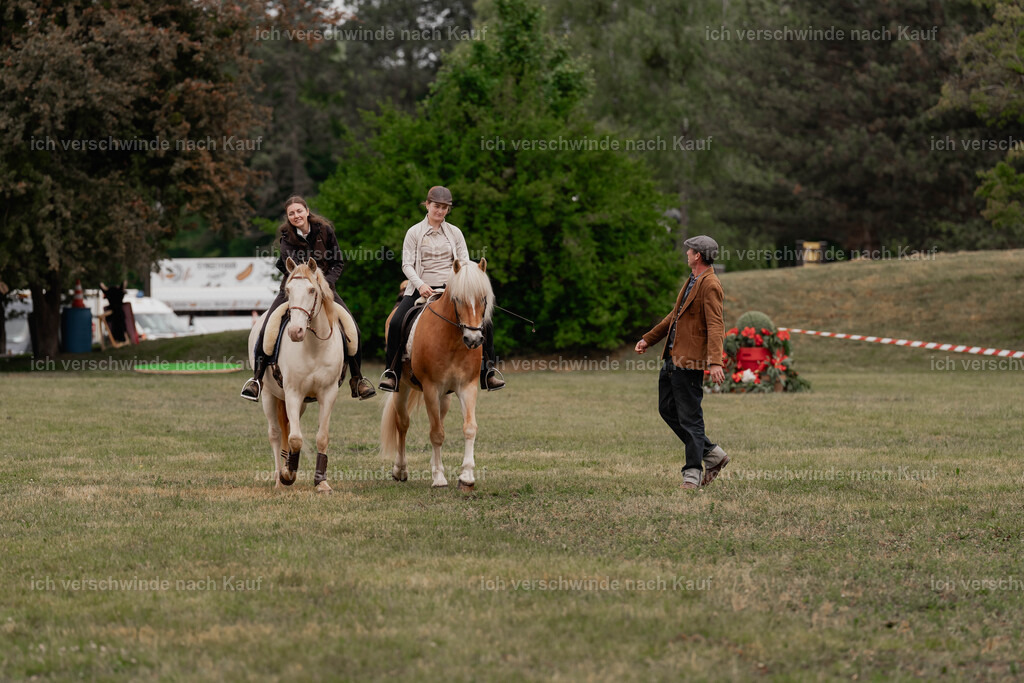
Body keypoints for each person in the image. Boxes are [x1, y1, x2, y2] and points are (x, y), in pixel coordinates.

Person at [240, 196, 376, 401]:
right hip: (295, 290)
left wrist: (326, 284)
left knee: (352, 329)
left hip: (325, 289)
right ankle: (257, 379)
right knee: (268, 327)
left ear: (307, 210)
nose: (296, 216)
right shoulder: (286, 237)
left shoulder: (325, 230)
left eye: (299, 211)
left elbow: (338, 262)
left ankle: (357, 379)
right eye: (291, 213)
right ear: (288, 217)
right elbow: (292, 267)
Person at [378, 186, 504, 393]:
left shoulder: (455, 233)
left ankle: (488, 372)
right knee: (396, 322)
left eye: (445, 207)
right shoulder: (414, 232)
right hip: (420, 288)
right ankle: (391, 372)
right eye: (437, 206)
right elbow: (406, 264)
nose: (440, 211)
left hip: (452, 290)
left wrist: (471, 276)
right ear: (427, 205)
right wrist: (420, 284)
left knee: (486, 323)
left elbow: (463, 261)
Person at [635, 235, 729, 490]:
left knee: (690, 418)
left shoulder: (710, 284)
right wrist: (649, 339)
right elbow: (673, 316)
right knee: (667, 409)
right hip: (673, 358)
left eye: (689, 250)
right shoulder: (692, 280)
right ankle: (713, 454)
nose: (686, 253)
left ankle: (692, 472)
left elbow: (716, 324)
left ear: (698, 255)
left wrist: (715, 361)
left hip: (691, 361)